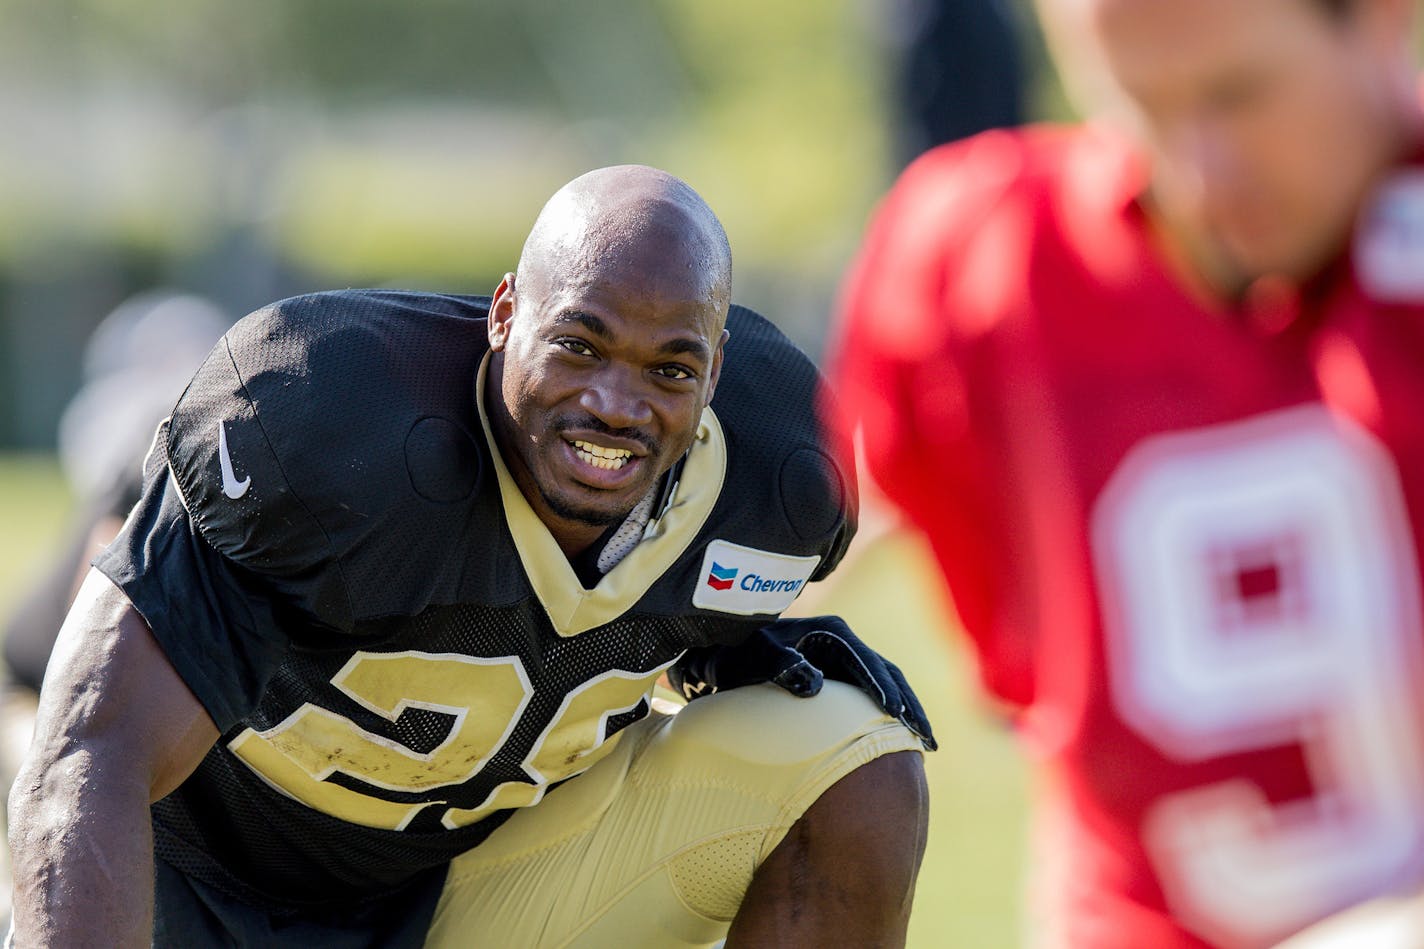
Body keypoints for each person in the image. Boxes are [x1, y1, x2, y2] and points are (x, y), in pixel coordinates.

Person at [9, 165, 933, 947]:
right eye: (578, 344)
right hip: (193, 884)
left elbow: (665, 612)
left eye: (670, 369)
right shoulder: (333, 432)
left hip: (458, 890)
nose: (616, 403)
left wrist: (720, 644)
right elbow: (93, 749)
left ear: (717, 374)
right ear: (504, 314)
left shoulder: (775, 481)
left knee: (856, 757)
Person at [827, 0, 1424, 946]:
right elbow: (782, 551)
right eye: (1136, 106)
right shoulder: (985, 263)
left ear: (1384, 19)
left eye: (1239, 94)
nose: (1199, 170)